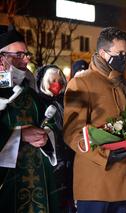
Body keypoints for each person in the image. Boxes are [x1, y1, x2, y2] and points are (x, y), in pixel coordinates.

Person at [63, 26, 126, 213]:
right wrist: (105, 155)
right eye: (120, 53)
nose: (124, 58)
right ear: (103, 53)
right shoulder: (81, 82)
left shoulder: (121, 83)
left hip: (122, 182)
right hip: (95, 183)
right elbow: (72, 132)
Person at [0, 26, 58, 212]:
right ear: (1, 58)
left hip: (38, 179)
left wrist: (46, 135)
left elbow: (47, 120)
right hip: (7, 181)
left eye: (26, 54)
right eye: (19, 55)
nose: (26, 59)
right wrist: (20, 135)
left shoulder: (29, 89)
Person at [35, 64, 76, 212]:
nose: (56, 84)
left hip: (68, 163)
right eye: (52, 80)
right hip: (47, 167)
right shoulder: (36, 103)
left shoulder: (66, 102)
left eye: (59, 80)